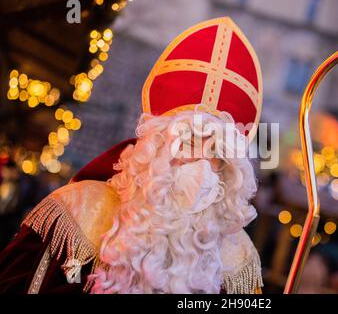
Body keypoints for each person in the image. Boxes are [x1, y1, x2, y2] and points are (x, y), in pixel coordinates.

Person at [0, 17, 264, 294]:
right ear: (155, 149)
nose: (199, 162)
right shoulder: (79, 210)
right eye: (188, 141)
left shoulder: (239, 258)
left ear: (228, 171)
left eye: (215, 151)